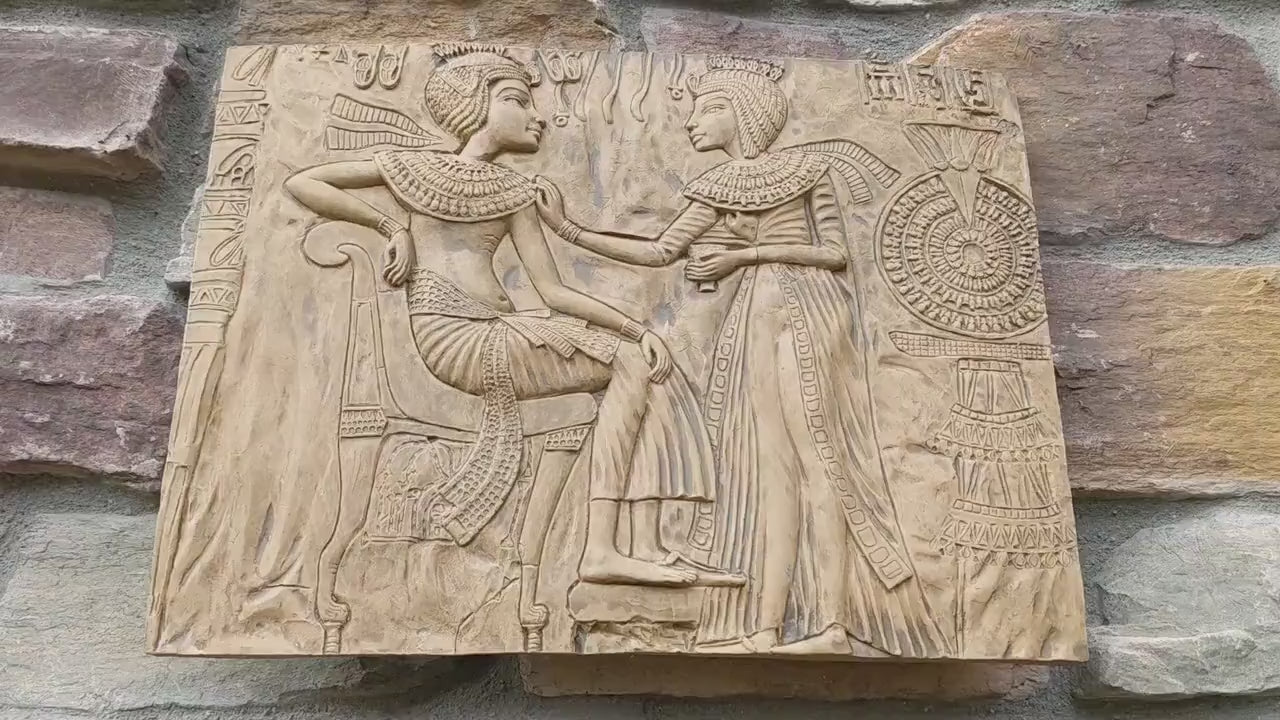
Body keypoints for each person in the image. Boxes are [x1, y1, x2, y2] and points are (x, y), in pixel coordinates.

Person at [535, 55, 950, 656]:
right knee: (770, 468)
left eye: (708, 109)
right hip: (757, 313)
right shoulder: (719, 185)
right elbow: (659, 252)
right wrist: (569, 231)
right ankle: (766, 628)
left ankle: (833, 627)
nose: (692, 123)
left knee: (818, 456)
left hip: (808, 307)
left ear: (744, 112)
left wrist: (742, 257)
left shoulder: (807, 170)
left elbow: (835, 253)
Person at [285, 43, 734, 589]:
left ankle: (651, 544)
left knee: (644, 362)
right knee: (634, 364)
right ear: (476, 105)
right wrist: (390, 225)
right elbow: (304, 183)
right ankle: (602, 552)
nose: (536, 115)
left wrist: (636, 328)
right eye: (518, 100)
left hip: (500, 332)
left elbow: (553, 291)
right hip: (458, 339)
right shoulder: (413, 168)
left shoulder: (516, 191)